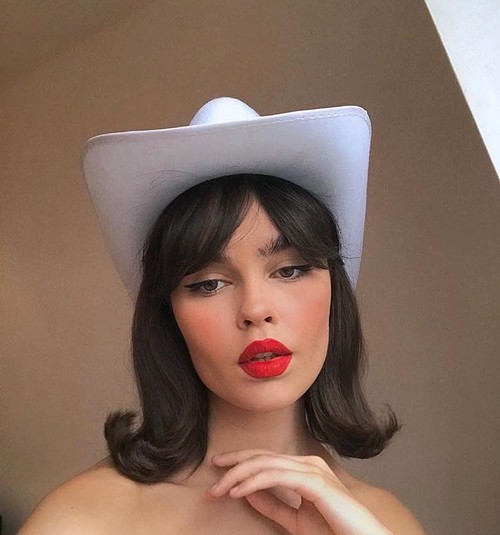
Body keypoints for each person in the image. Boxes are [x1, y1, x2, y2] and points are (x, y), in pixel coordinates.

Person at [19, 97, 427, 534]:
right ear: (169, 316)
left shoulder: (383, 523)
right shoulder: (82, 521)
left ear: (334, 290)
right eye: (209, 284)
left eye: (290, 270)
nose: (255, 309)